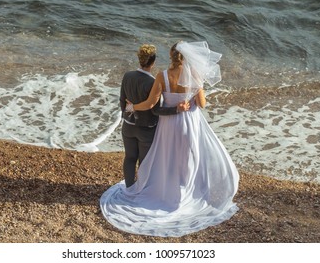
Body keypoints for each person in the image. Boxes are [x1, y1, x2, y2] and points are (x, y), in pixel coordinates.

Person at [100, 41, 239, 237]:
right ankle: (183, 194)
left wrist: (132, 107)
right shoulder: (195, 75)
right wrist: (190, 98)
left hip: (167, 125)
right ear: (187, 57)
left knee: (167, 157)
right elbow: (202, 104)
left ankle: (163, 190)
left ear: (171, 56)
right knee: (188, 159)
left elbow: (150, 104)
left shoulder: (162, 76)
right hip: (188, 123)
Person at [119, 44, 189, 188]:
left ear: (140, 59)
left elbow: (122, 101)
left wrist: (127, 116)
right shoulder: (152, 82)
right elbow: (155, 110)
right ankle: (142, 189)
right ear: (153, 61)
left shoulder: (127, 76)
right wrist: (176, 109)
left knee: (130, 158)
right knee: (145, 162)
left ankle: (129, 188)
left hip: (128, 126)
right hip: (146, 130)